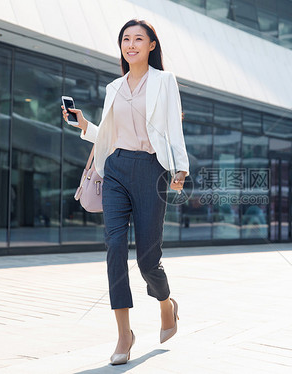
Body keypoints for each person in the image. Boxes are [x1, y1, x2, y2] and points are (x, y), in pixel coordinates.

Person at [62, 19, 190, 365]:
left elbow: (174, 131)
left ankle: (166, 303)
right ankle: (124, 333)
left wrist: (181, 168)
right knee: (115, 246)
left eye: (138, 39)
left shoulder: (164, 82)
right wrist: (85, 124)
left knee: (148, 260)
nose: (130, 44)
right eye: (125, 39)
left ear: (151, 45)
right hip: (116, 169)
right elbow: (108, 135)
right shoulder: (113, 88)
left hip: (152, 170)